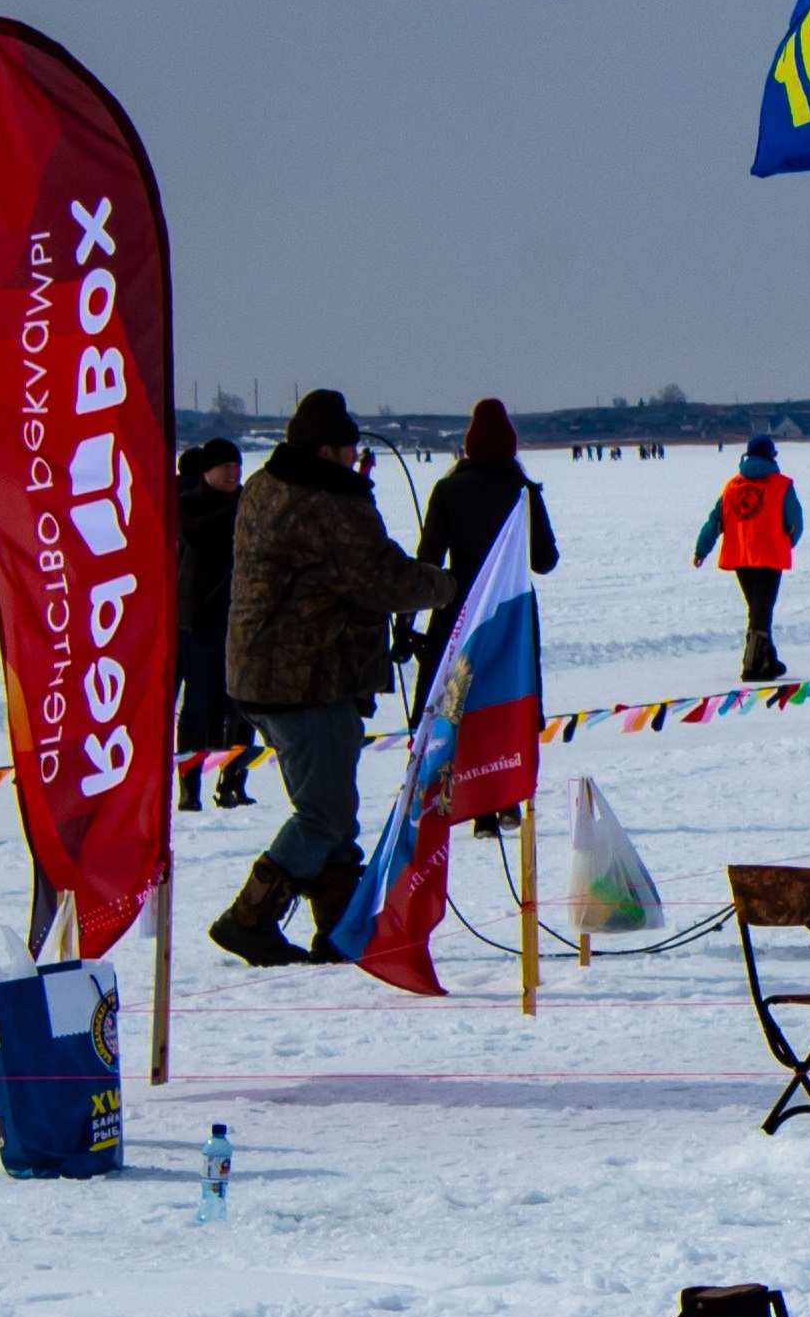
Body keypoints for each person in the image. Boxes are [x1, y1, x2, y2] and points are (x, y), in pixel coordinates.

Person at [212, 389, 452, 964]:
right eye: (347, 451)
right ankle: (248, 919)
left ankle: (341, 927)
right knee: (323, 813)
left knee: (334, 806)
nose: (353, 461)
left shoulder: (266, 486)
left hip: (263, 671)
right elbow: (382, 580)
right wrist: (449, 586)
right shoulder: (327, 503)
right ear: (326, 450)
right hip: (304, 678)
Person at [413, 400, 560, 705]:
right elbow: (544, 561)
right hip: (510, 612)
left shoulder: (447, 490)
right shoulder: (524, 491)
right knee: (505, 712)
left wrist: (405, 627)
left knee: (450, 714)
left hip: (457, 610)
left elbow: (427, 563)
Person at [173, 437, 252, 810]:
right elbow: (196, 533)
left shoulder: (248, 507)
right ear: (208, 471)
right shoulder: (188, 503)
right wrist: (238, 508)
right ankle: (190, 784)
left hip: (241, 619)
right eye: (226, 468)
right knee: (199, 707)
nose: (233, 474)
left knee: (239, 705)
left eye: (237, 468)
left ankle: (234, 780)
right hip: (199, 621)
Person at [692, 435, 800, 678]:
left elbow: (715, 521)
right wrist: (787, 543)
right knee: (761, 609)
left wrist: (702, 549)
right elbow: (795, 521)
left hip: (740, 555)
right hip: (769, 555)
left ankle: (768, 660)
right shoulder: (781, 485)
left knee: (757, 608)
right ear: (771, 456)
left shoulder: (732, 486)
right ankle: (752, 664)